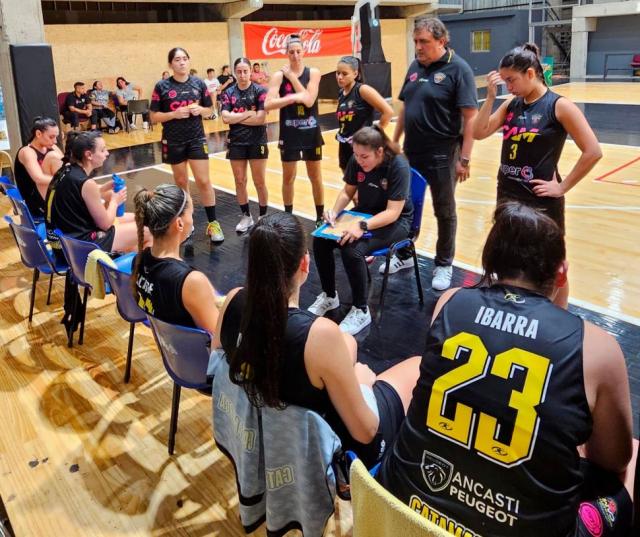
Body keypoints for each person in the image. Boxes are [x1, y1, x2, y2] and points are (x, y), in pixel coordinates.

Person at [378, 202, 633, 537]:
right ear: (561, 273)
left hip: (405, 510)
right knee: (629, 464)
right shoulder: (598, 347)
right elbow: (613, 460)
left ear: (490, 261)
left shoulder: (450, 302)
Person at [213, 212, 421, 467]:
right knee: (416, 367)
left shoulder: (233, 299)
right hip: (315, 452)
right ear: (305, 263)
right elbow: (365, 432)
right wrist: (363, 384)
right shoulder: (320, 335)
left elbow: (216, 370)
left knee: (348, 344)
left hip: (254, 432)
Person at [473, 43, 602, 308]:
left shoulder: (559, 106)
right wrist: (490, 98)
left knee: (552, 266)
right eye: (505, 81)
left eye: (512, 80)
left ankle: (559, 315)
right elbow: (479, 132)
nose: (508, 86)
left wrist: (562, 187)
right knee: (509, 260)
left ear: (530, 74)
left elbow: (593, 151)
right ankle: (516, 311)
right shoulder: (511, 104)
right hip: (508, 196)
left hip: (540, 202)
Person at [391, 18, 478, 291]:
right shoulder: (415, 66)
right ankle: (404, 254)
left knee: (444, 210)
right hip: (411, 152)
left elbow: (471, 118)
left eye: (424, 42)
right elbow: (405, 108)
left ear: (442, 41)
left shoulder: (459, 69)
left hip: (443, 153)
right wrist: (394, 142)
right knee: (405, 206)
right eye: (416, 41)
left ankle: (444, 263)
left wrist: (464, 159)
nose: (418, 47)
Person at [309, 126, 413, 335]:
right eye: (356, 155)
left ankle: (361, 310)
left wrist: (361, 226)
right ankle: (330, 296)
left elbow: (393, 213)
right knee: (321, 240)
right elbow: (348, 191)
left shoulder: (398, 165)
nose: (359, 160)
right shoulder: (357, 159)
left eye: (364, 156)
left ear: (380, 152)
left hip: (396, 222)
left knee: (352, 250)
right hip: (364, 214)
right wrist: (334, 212)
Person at [150, 47, 224, 242]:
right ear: (170, 64)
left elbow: (210, 110)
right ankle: (188, 223)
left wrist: (200, 110)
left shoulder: (198, 83)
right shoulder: (162, 86)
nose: (182, 62)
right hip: (173, 140)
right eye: (177, 59)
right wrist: (173, 114)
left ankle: (213, 224)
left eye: (184, 58)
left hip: (196, 138)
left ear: (189, 61)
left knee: (203, 181)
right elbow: (153, 116)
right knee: (181, 182)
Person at [44, 131, 147, 261]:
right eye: (103, 150)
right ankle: (137, 271)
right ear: (89, 155)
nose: (107, 153)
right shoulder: (87, 183)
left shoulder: (65, 169)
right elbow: (106, 225)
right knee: (147, 230)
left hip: (60, 244)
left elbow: (77, 197)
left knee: (136, 219)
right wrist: (115, 201)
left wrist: (103, 189)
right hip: (80, 249)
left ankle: (126, 264)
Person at [132, 184, 219, 333]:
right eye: (191, 214)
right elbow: (218, 335)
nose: (192, 220)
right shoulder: (191, 282)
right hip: (194, 348)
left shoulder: (138, 261)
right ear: (179, 223)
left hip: (166, 344)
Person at [265, 34, 324, 225]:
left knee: (315, 176)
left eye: (298, 51)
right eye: (291, 52)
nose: (295, 55)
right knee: (288, 177)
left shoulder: (313, 72)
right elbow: (268, 104)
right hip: (289, 134)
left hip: (311, 132)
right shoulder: (278, 76)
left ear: (303, 52)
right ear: (286, 53)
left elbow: (309, 100)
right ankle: (288, 216)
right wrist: (291, 98)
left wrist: (292, 77)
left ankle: (319, 216)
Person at [220, 57, 269, 233]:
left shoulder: (260, 91)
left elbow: (261, 119)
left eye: (245, 71)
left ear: (250, 72)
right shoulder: (228, 93)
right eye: (239, 72)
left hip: (257, 140)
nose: (242, 75)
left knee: (259, 181)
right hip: (237, 142)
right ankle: (246, 216)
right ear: (235, 73)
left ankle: (263, 217)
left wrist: (236, 117)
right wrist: (248, 113)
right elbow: (225, 118)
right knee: (240, 181)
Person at [335, 56, 393, 172]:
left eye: (344, 74)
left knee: (364, 180)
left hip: (362, 145)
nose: (340, 77)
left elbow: (388, 112)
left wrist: (374, 134)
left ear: (355, 73)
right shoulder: (341, 93)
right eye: (338, 73)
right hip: (344, 144)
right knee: (348, 179)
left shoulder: (362, 90)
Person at [14, 117, 64, 218]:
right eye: (51, 137)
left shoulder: (52, 147)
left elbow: (66, 167)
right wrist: (66, 181)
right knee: (53, 157)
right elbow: (39, 178)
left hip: (49, 195)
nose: (55, 141)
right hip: (34, 203)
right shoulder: (27, 152)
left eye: (56, 137)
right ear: (38, 134)